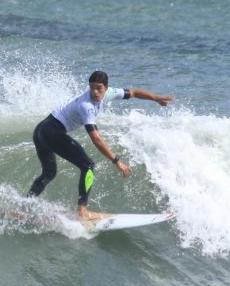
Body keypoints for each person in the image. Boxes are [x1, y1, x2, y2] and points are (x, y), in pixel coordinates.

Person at [27, 70, 174, 221]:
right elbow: (96, 139)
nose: (95, 92)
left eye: (99, 88)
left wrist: (156, 98)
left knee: (49, 173)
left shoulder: (110, 93)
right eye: (92, 87)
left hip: (41, 130)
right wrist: (117, 161)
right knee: (88, 166)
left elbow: (134, 92)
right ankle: (82, 211)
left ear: (106, 87)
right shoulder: (86, 105)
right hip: (50, 131)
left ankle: (26, 206)